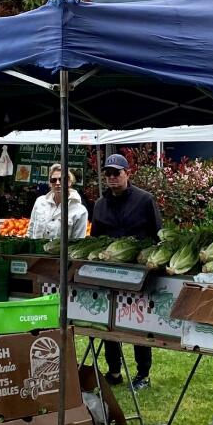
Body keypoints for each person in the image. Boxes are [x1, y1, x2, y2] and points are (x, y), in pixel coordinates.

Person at [91, 153, 162, 391]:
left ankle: (143, 373)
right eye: (108, 174)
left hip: (137, 273)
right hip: (109, 272)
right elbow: (96, 239)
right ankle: (114, 370)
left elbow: (157, 234)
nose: (112, 178)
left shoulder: (144, 200)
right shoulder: (100, 204)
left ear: (127, 174)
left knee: (137, 322)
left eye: (116, 173)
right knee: (109, 322)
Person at [28, 164, 88, 241]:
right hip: (36, 251)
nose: (57, 183)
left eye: (61, 179)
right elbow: (30, 231)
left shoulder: (80, 211)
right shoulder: (40, 202)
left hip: (60, 253)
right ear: (50, 183)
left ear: (69, 182)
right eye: (53, 180)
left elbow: (77, 242)